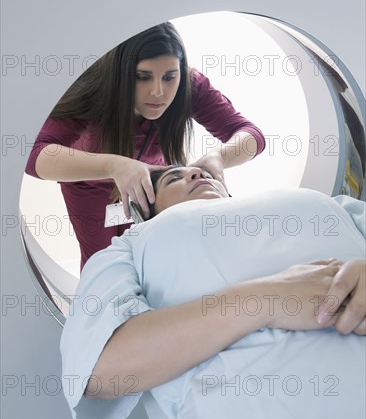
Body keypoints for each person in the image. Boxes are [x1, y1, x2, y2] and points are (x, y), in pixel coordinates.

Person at [60, 166, 366, 419]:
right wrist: (266, 298)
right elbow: (102, 370)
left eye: (201, 171)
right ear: (147, 211)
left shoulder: (326, 203)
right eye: (174, 178)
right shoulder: (129, 245)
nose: (196, 174)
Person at [25, 23, 265, 271]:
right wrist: (114, 165)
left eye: (170, 77)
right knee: (103, 263)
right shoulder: (93, 90)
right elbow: (33, 155)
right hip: (90, 185)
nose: (158, 91)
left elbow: (251, 136)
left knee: (156, 259)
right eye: (143, 77)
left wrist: (220, 157)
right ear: (121, 73)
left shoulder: (191, 86)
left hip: (150, 187)